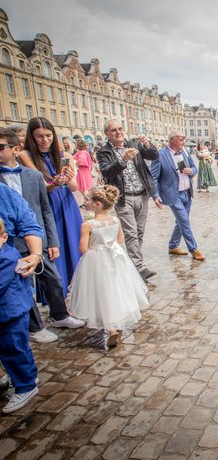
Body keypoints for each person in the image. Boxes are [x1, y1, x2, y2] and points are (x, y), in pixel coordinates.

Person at [0, 128, 84, 342]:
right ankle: (35, 328)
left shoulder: (33, 176)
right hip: (8, 240)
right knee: (23, 284)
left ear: (15, 149)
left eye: (1, 148)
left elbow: (45, 209)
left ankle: (60, 315)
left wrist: (52, 240)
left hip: (35, 235)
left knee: (53, 278)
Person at [68, 186, 149, 348]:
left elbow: (83, 249)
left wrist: (96, 246)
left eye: (87, 200)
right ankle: (118, 325)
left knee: (101, 292)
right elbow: (120, 239)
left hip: (96, 259)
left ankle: (110, 328)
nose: (85, 202)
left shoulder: (88, 224)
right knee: (117, 289)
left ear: (97, 204)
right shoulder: (115, 220)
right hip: (116, 257)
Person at [18, 117, 82, 298]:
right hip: (47, 205)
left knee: (73, 245)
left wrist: (68, 178)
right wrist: (55, 182)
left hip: (66, 203)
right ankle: (57, 295)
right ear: (32, 137)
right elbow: (42, 187)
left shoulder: (65, 156)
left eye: (48, 136)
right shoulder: (26, 156)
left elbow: (74, 187)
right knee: (54, 249)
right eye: (40, 136)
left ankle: (75, 289)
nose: (45, 140)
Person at [0, 186, 44, 413]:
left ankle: (25, 384)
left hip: (9, 308)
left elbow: (29, 223)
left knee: (13, 346)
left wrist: (35, 254)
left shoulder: (6, 257)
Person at [97, 120, 159, 280]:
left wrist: (148, 145)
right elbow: (107, 172)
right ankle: (139, 268)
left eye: (120, 129)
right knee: (131, 233)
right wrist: (123, 160)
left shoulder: (134, 144)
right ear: (107, 134)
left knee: (139, 232)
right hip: (123, 198)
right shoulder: (104, 152)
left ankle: (131, 264)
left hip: (142, 194)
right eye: (113, 131)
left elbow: (154, 155)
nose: (118, 132)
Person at [150, 130, 205, 261]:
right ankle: (194, 249)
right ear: (172, 139)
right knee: (184, 221)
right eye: (181, 139)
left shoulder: (185, 151)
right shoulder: (160, 154)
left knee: (180, 222)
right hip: (173, 194)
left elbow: (194, 167)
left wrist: (191, 171)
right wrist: (155, 194)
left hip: (187, 192)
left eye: (184, 139)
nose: (183, 142)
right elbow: (154, 176)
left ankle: (173, 245)